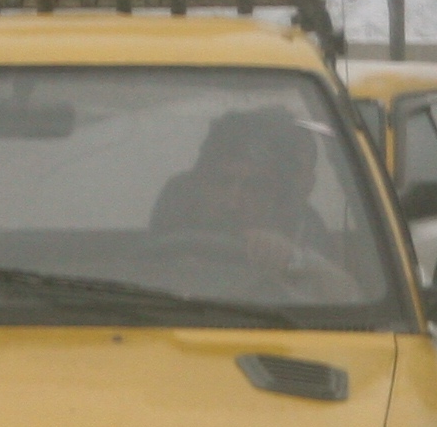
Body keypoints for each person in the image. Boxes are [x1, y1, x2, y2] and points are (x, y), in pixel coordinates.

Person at [149, 110, 363, 299]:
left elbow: (350, 299)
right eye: (222, 182)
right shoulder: (165, 240)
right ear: (201, 183)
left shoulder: (303, 242)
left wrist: (291, 259)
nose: (233, 201)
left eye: (254, 188)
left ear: (278, 197)